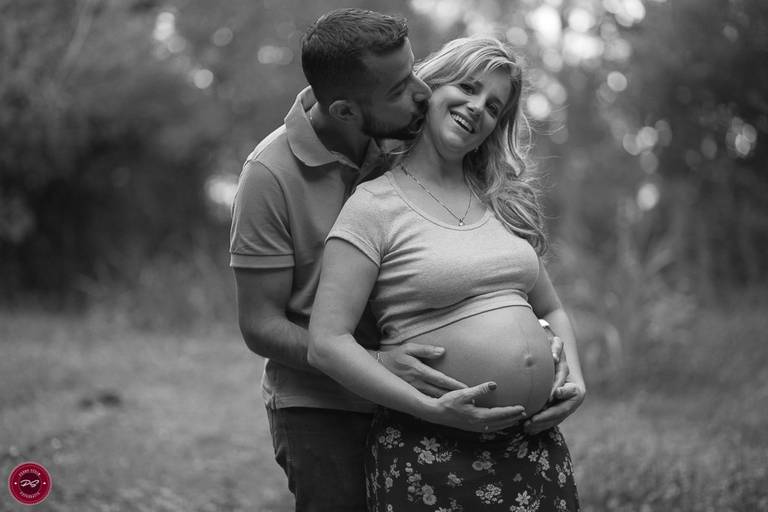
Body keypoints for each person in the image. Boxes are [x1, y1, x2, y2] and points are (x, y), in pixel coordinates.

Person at [230, 10, 552, 511]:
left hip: (418, 400)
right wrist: (378, 363)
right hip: (324, 403)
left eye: (414, 73)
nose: (422, 93)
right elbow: (259, 324)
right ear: (346, 113)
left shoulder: (401, 130)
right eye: (402, 88)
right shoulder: (269, 176)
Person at [308, 36, 585, 510]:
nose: (478, 108)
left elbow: (552, 309)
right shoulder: (373, 206)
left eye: (494, 106)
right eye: (468, 87)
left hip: (532, 450)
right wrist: (431, 408)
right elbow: (326, 343)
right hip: (432, 453)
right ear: (429, 87)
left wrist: (574, 381)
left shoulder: (503, 201)